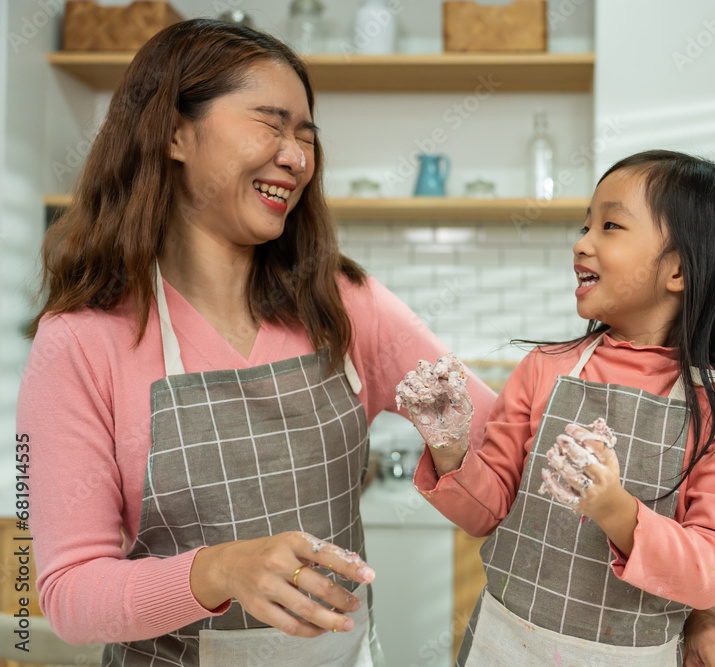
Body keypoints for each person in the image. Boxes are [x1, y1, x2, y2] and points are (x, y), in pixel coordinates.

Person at [16, 18, 499, 666]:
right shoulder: (79, 342)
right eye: (271, 125)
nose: (297, 157)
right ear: (174, 133)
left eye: (306, 134)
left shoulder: (344, 303)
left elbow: (502, 437)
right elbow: (69, 595)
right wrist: (218, 571)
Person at [399, 150, 715, 666]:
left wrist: (615, 509)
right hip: (504, 644)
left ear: (678, 270)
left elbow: (712, 570)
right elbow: (487, 510)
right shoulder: (546, 368)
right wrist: (448, 446)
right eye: (586, 225)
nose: (581, 243)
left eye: (610, 225)